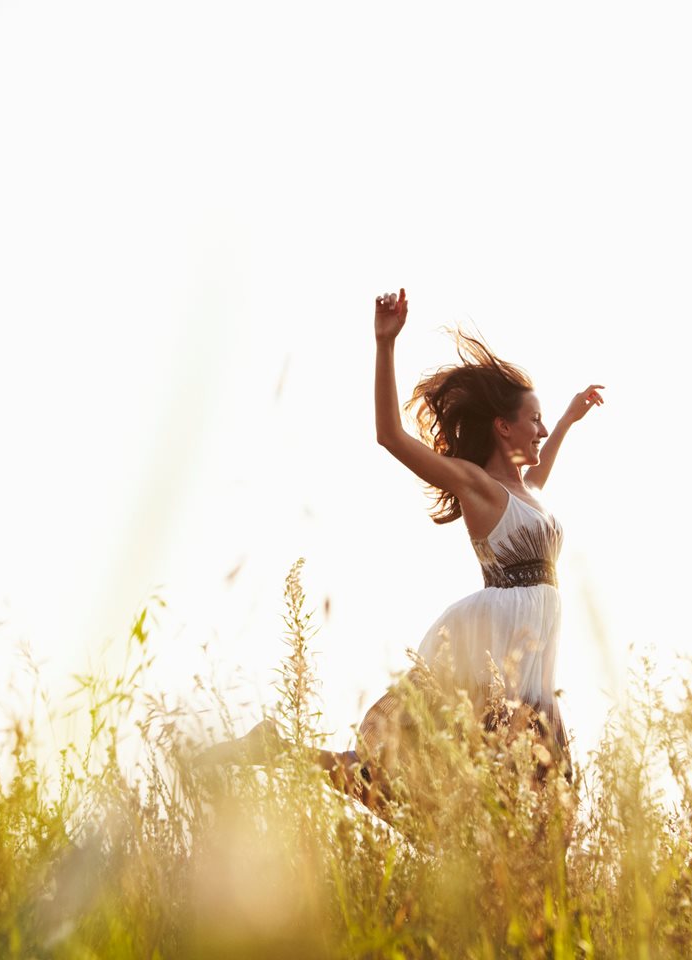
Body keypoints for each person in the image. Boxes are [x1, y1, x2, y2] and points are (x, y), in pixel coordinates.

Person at [197, 287, 603, 824]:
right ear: (503, 427)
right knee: (421, 788)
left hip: (531, 671)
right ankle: (276, 750)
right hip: (492, 656)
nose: (542, 429)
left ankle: (278, 749)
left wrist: (570, 419)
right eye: (536, 420)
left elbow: (540, 472)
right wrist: (385, 344)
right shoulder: (477, 487)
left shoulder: (527, 494)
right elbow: (389, 435)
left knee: (543, 813)